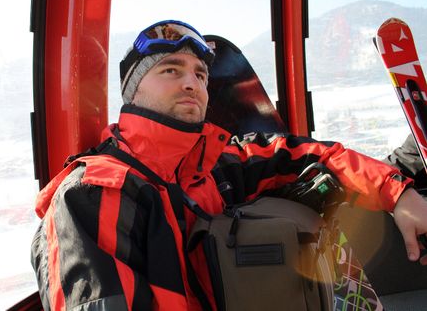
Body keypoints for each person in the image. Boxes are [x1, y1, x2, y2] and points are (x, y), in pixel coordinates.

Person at [31, 19, 427, 311]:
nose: (192, 83)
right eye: (171, 70)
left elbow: (312, 155)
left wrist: (398, 193)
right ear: (133, 90)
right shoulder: (96, 193)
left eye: (200, 75)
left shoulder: (216, 164)